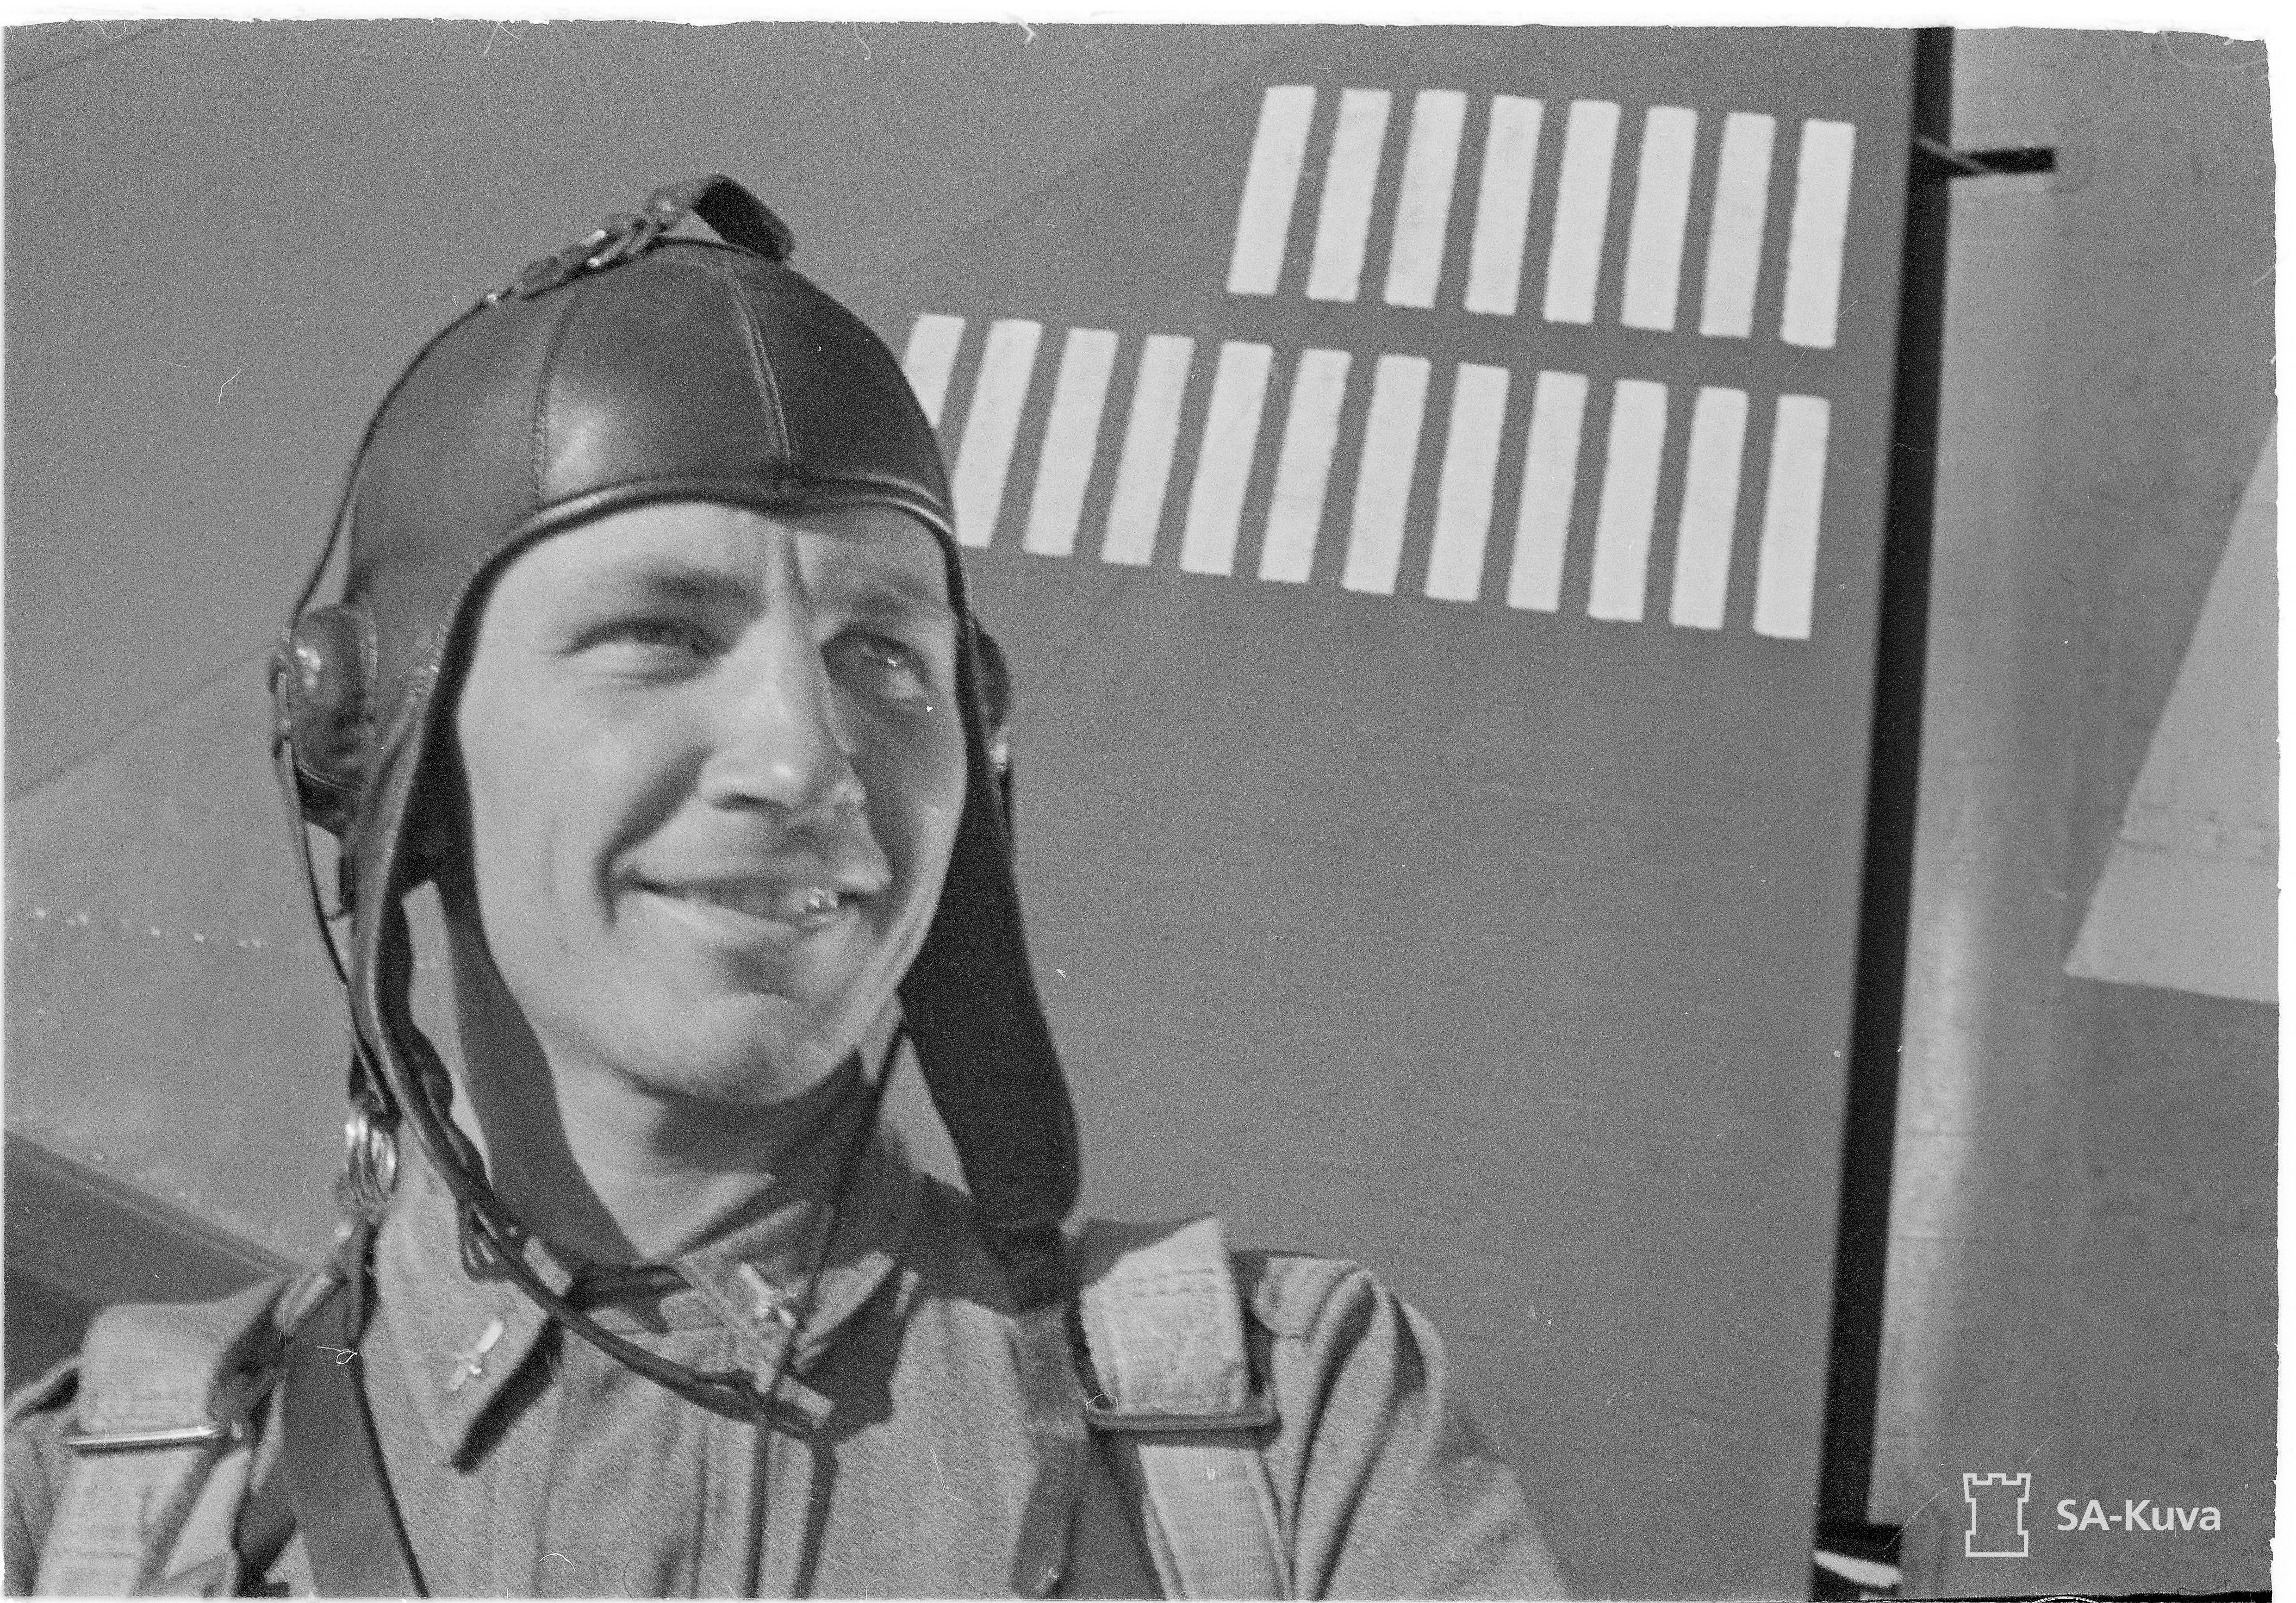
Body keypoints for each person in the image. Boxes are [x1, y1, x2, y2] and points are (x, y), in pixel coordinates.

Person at [5, 175, 1569, 1600]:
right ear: (379, 748)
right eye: (663, 635)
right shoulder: (79, 1516)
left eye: (883, 655)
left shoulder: (1294, 1436)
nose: (806, 758)